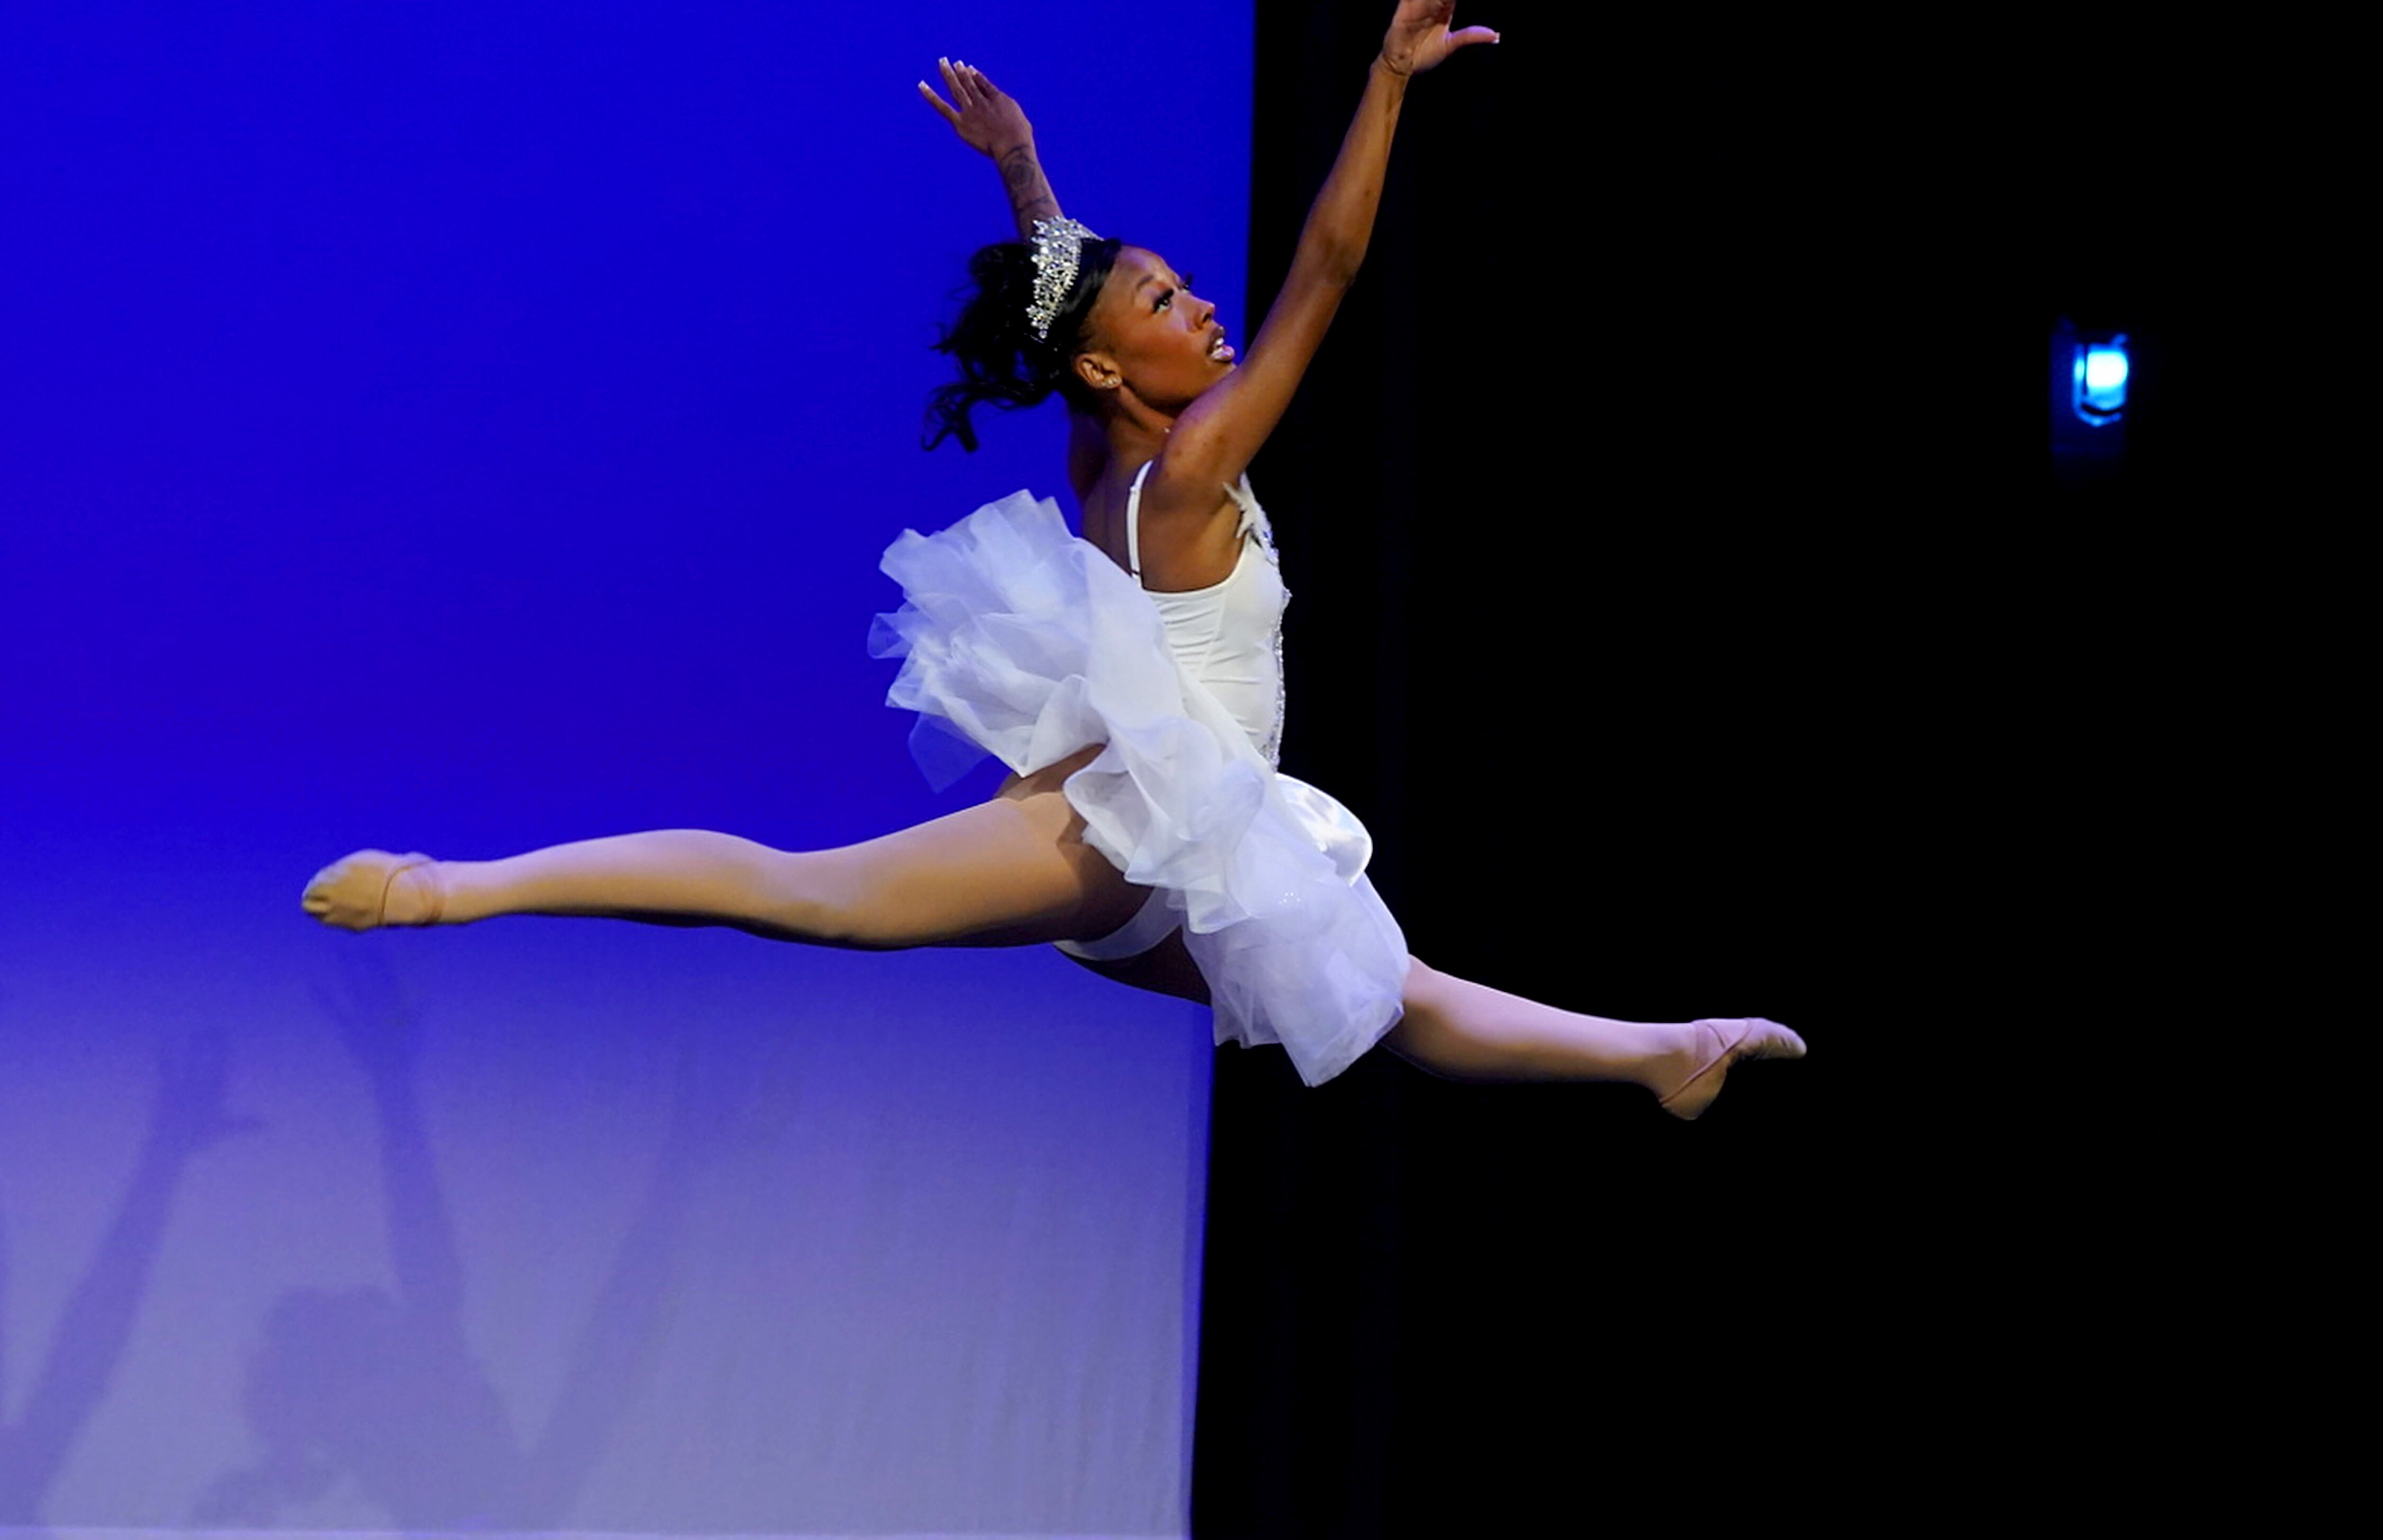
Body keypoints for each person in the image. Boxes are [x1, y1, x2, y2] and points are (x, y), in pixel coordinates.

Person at [302, 1, 1802, 1117]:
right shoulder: (1190, 461)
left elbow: (1063, 301)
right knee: (813, 895)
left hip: (1204, 841)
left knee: (1381, 987)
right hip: (1130, 830)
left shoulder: (1109, 439)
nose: (1203, 310)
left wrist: (1025, 176)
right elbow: (1328, 273)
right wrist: (1384, 85)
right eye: (1167, 298)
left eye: (1188, 287)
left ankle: (1661, 1053)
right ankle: (456, 887)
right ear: (1109, 365)